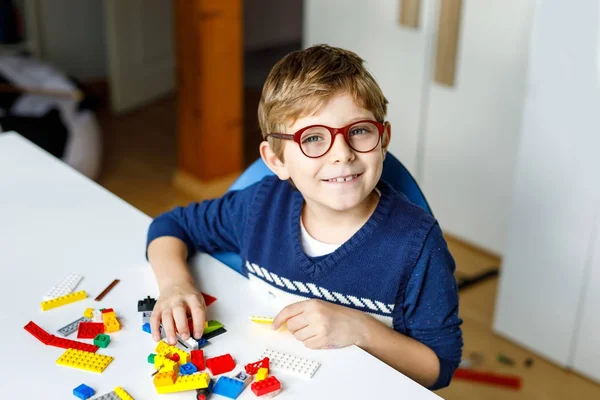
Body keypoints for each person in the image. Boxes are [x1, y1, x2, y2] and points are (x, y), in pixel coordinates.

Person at [146, 44, 462, 389]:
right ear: (276, 160)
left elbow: (438, 367)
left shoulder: (417, 245)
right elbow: (171, 225)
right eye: (312, 138)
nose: (342, 155)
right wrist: (176, 285)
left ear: (383, 139)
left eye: (359, 131)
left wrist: (361, 330)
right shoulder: (260, 207)